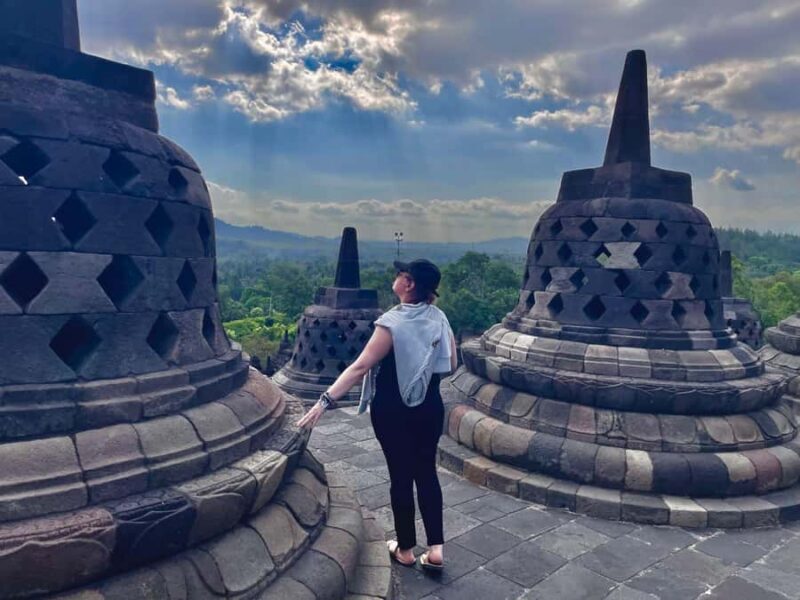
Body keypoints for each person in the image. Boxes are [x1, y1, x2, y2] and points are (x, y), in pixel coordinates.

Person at [297, 258, 457, 572]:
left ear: (409, 284)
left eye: (401, 274)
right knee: (426, 472)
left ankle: (406, 550)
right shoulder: (439, 317)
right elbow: (449, 363)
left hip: (392, 410)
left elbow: (360, 367)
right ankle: (436, 549)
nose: (395, 277)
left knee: (401, 476)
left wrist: (324, 402)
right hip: (430, 407)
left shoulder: (392, 323)